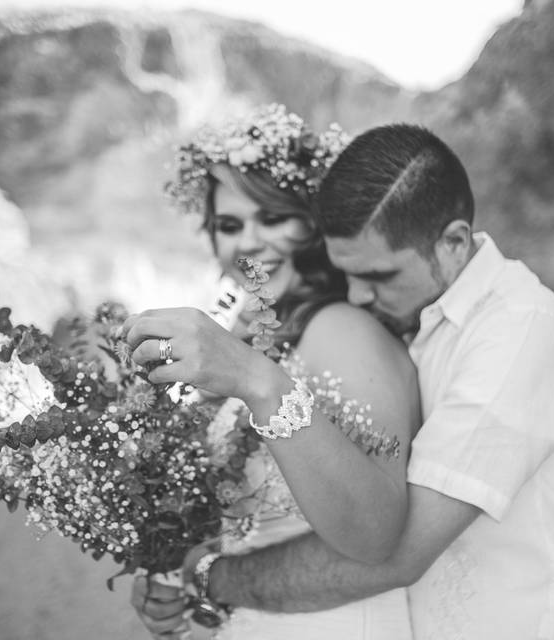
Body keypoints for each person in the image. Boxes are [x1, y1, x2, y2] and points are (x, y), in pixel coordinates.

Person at [134, 123, 554, 639]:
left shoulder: (518, 332)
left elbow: (397, 551)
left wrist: (206, 576)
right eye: (228, 223)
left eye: (379, 277)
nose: (360, 296)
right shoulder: (413, 318)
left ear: (454, 242)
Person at [122, 105, 420, 638]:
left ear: (316, 224)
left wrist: (259, 382)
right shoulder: (245, 340)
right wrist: (176, 576)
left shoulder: (342, 331)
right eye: (229, 225)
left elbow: (378, 531)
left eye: (273, 217)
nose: (249, 243)